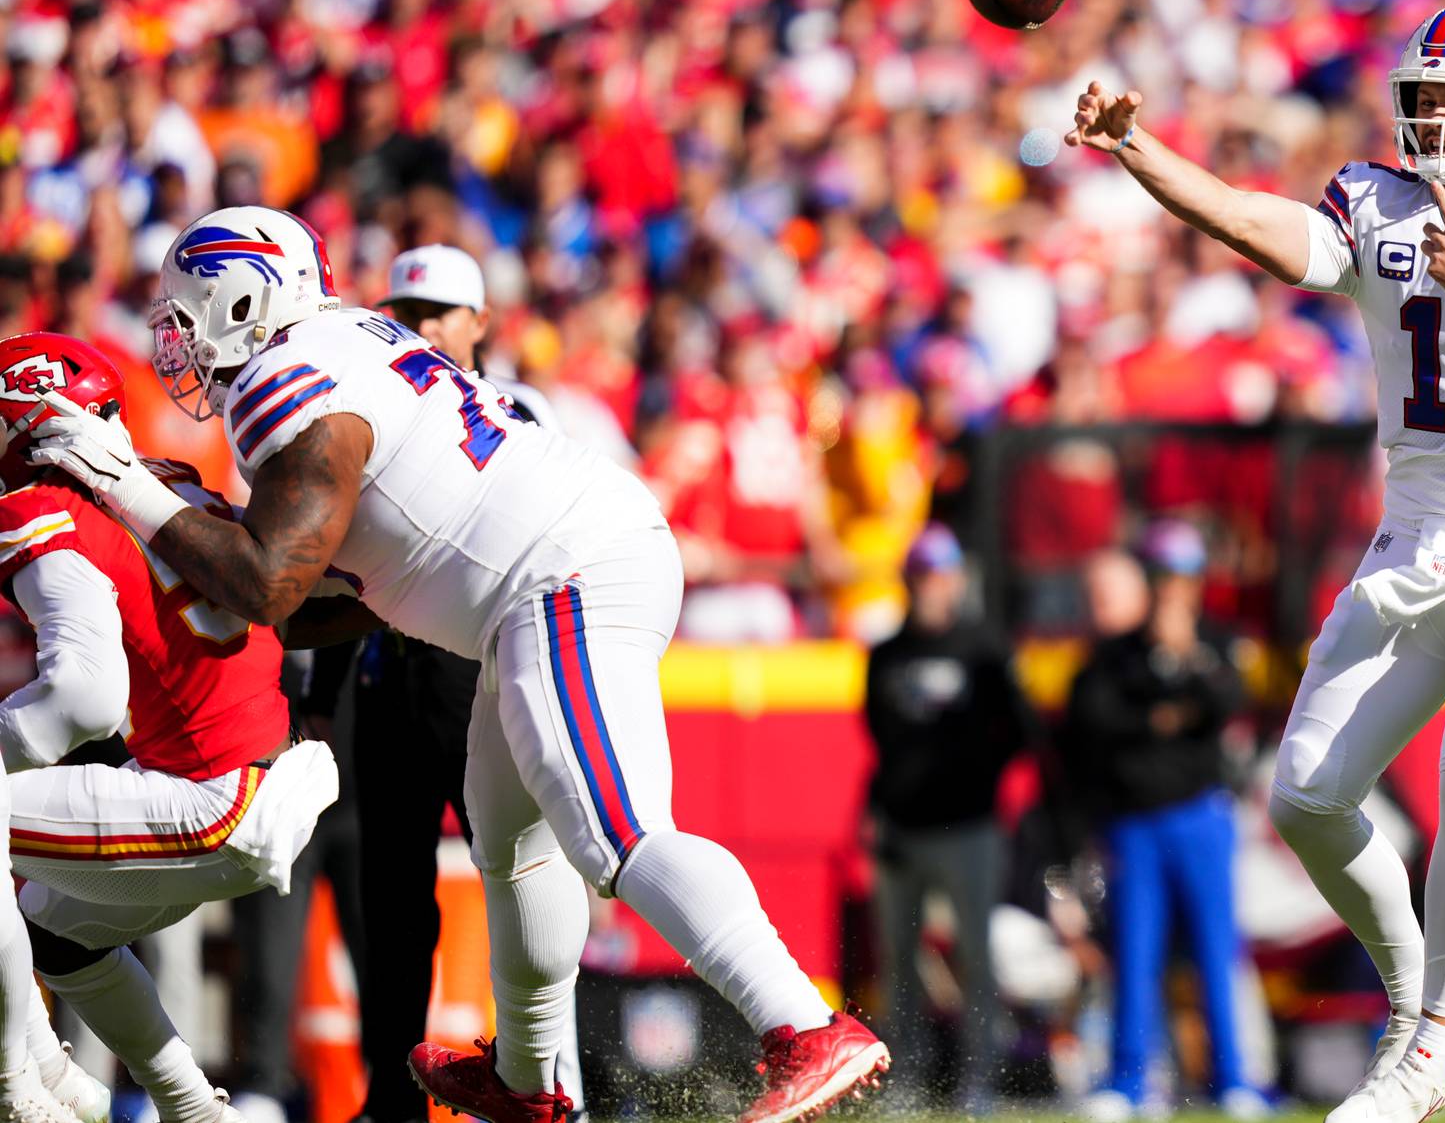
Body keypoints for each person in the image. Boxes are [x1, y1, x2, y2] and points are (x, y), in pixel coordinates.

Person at [27, 208, 888, 1123]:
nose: (178, 342)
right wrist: (183, 543)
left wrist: (123, 483)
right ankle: (527, 1078)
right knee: (510, 838)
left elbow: (270, 583)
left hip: (561, 575)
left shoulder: (285, 376)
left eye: (188, 315)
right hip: (548, 575)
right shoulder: (345, 344)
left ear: (244, 301)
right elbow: (330, 596)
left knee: (617, 831)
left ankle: (802, 1022)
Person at [1068, 3, 1445, 1122]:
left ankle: (1437, 1040)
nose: (1437, 118)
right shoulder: (1376, 203)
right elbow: (1248, 219)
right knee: (1306, 796)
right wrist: (1135, 146)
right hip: (1412, 541)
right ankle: (1412, 996)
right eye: (1424, 97)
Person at [0, 331, 342, 1123]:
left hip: (209, 794)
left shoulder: (41, 508)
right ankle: (193, 1109)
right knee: (58, 931)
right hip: (261, 770)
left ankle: (21, 1081)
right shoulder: (170, 483)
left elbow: (85, 695)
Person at [318, 243, 580, 1123]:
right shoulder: (367, 412)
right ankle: (391, 1094)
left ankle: (547, 1078)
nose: (423, 327)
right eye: (406, 312)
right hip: (387, 674)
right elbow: (340, 565)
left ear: (480, 322)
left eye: (439, 313)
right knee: (390, 901)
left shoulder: (520, 411)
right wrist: (319, 697)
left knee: (520, 875)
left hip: (480, 674)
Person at [1064, 521, 1265, 1122]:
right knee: (1135, 952)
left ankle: (1233, 1077)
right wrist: (1165, 711)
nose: (1173, 590)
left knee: (1216, 952)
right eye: (1162, 577)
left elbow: (1226, 704)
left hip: (1202, 816)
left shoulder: (1217, 643)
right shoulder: (1115, 652)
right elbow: (1098, 720)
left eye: (1182, 577)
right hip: (1134, 823)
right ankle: (1127, 1080)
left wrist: (1185, 659)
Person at [862, 524, 1035, 1115]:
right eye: (921, 577)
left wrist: (970, 775)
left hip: (968, 826)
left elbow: (1018, 732)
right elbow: (877, 738)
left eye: (939, 576)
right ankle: (903, 1075)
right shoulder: (888, 654)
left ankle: (979, 1076)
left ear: (957, 580)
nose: (930, 589)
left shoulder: (985, 650)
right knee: (899, 959)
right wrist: (883, 807)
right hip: (903, 826)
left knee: (975, 955)